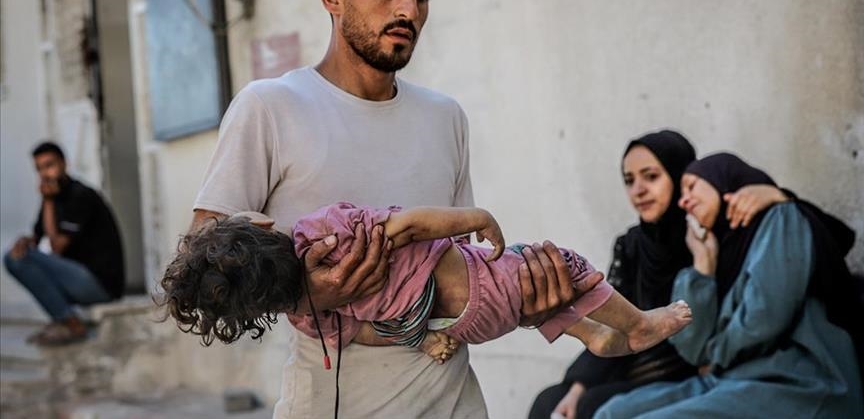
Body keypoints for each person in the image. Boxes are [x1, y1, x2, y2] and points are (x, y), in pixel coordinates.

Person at [188, 0, 593, 417]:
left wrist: (525, 301)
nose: (409, 10)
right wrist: (308, 293)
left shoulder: (445, 117)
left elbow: (457, 278)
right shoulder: (270, 107)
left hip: (455, 402)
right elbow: (202, 266)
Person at [161, 204, 693, 364]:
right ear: (261, 226)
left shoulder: (305, 316)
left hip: (463, 327)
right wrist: (476, 217)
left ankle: (592, 335)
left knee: (537, 297)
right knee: (562, 265)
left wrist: (425, 338)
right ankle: (637, 325)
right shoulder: (322, 230)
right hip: (486, 284)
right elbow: (409, 227)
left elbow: (364, 333)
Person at [529, 130, 788, 419]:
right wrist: (579, 385)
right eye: (629, 180)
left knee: (594, 406)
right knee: (550, 401)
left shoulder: (705, 236)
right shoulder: (632, 245)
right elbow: (610, 314)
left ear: (679, 177)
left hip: (685, 369)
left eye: (651, 177)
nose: (638, 190)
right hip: (631, 357)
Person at [595, 153, 863, 418]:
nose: (684, 201)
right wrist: (702, 266)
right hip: (729, 381)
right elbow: (693, 349)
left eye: (691, 186)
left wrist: (713, 356)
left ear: (721, 181)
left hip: (797, 384)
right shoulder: (718, 250)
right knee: (612, 412)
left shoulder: (781, 218)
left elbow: (763, 319)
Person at [3, 141, 125, 346]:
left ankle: (70, 323)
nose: (45, 174)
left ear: (64, 164)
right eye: (39, 169)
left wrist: (48, 201)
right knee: (15, 256)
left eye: (49, 165)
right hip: (77, 279)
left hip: (100, 284)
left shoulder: (80, 195)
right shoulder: (52, 197)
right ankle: (63, 319)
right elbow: (37, 238)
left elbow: (56, 247)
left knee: (17, 259)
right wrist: (25, 241)